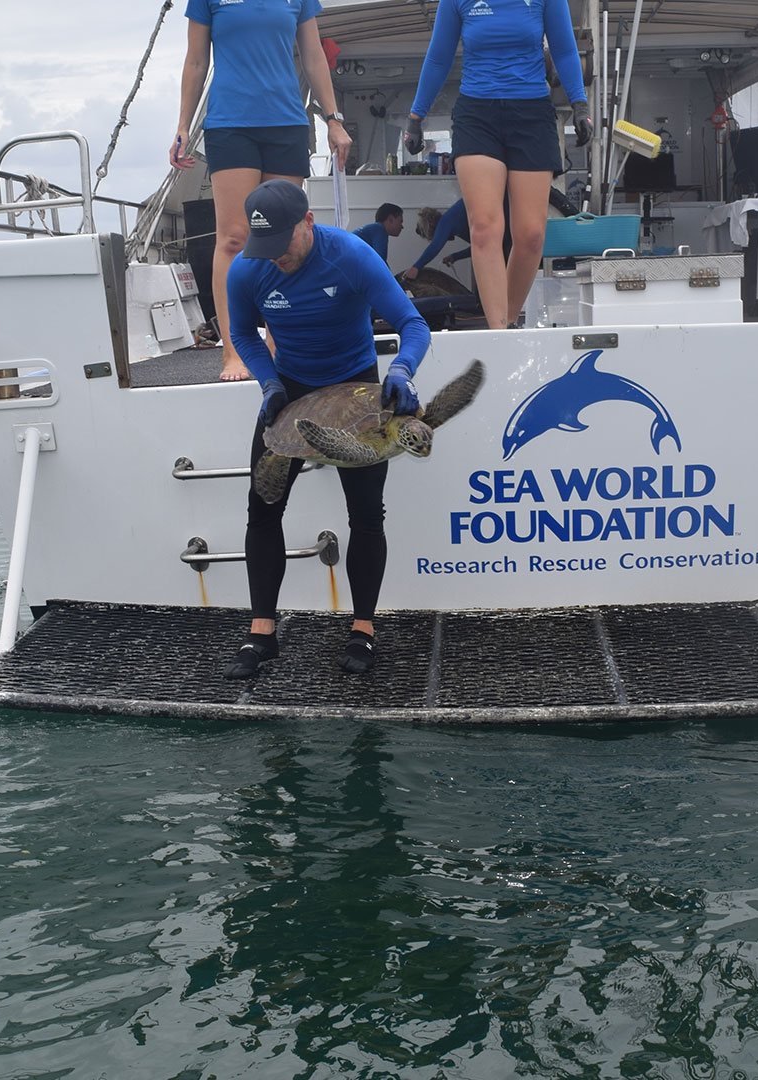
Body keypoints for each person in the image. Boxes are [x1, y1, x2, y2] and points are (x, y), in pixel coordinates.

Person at [221, 181, 432, 679]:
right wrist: (268, 382)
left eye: (282, 245)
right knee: (262, 506)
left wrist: (401, 370)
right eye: (264, 250)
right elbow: (242, 333)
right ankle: (262, 633)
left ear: (308, 221)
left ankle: (363, 629)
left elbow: (413, 325)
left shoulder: (352, 256)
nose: (275, 259)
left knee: (365, 512)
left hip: (356, 389)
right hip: (289, 391)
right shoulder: (249, 269)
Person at [175, 0, 353, 382]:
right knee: (235, 239)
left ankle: (277, 348)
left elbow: (314, 56)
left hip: (287, 123)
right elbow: (195, 61)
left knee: (283, 241)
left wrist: (333, 120)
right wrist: (183, 125)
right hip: (229, 123)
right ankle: (234, 351)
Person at [406, 0, 593, 330]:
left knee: (531, 235)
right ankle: (499, 332)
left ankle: (507, 318)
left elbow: (564, 50)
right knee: (486, 228)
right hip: (478, 114)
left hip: (532, 113)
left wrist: (580, 104)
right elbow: (439, 57)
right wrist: (416, 117)